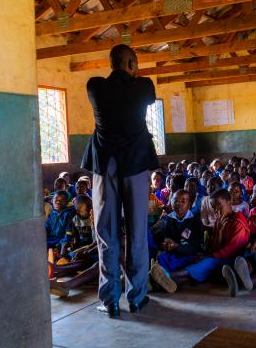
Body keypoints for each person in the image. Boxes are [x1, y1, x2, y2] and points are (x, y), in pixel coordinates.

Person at [81, 44, 159, 317]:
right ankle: (137, 297)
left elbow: (113, 85)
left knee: (106, 233)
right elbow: (145, 93)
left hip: (105, 166)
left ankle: (110, 299)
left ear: (111, 63)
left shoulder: (95, 87)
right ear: (131, 64)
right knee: (137, 232)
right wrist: (134, 73)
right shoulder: (143, 87)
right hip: (135, 165)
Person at [150, 190, 204, 293]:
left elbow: (196, 247)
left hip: (188, 254)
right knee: (162, 258)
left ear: (189, 204)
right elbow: (166, 235)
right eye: (175, 201)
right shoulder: (170, 219)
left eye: (183, 201)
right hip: (173, 253)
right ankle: (162, 280)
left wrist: (177, 246)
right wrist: (166, 242)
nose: (178, 204)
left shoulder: (195, 220)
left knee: (192, 264)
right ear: (171, 202)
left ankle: (161, 280)